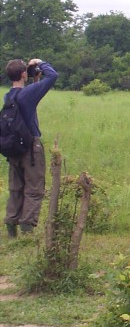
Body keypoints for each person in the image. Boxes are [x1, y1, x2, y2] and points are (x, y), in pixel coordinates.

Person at [3, 59, 58, 238]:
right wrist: (40, 62)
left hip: (13, 147)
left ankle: (11, 224)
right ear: (23, 74)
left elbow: (28, 106)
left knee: (16, 187)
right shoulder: (27, 94)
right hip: (30, 147)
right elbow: (53, 76)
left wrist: (35, 79)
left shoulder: (8, 96)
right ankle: (27, 227)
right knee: (34, 188)